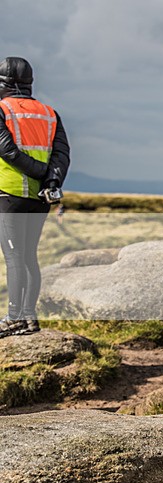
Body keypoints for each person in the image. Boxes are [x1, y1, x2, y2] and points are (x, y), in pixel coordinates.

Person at [0, 57, 70, 337]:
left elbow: (7, 151)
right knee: (29, 256)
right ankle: (29, 317)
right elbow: (62, 154)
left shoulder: (2, 110)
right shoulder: (49, 114)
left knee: (14, 257)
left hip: (9, 193)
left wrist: (40, 173)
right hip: (40, 198)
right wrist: (51, 179)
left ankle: (14, 318)